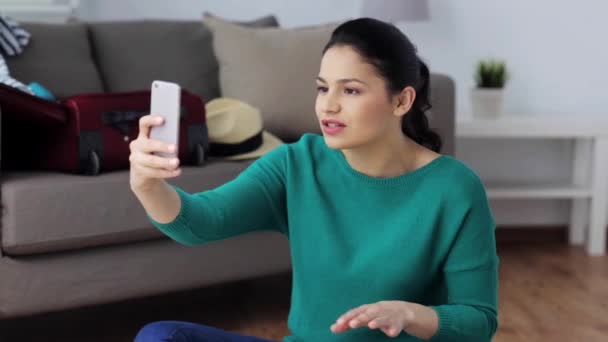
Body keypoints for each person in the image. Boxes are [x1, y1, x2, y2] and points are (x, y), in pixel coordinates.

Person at [130, 17, 498, 342]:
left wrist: (411, 314)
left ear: (402, 101)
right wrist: (148, 186)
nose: (328, 105)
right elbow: (200, 222)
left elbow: (479, 321)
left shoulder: (453, 188)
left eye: (350, 90)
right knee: (163, 337)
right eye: (323, 88)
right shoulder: (296, 164)